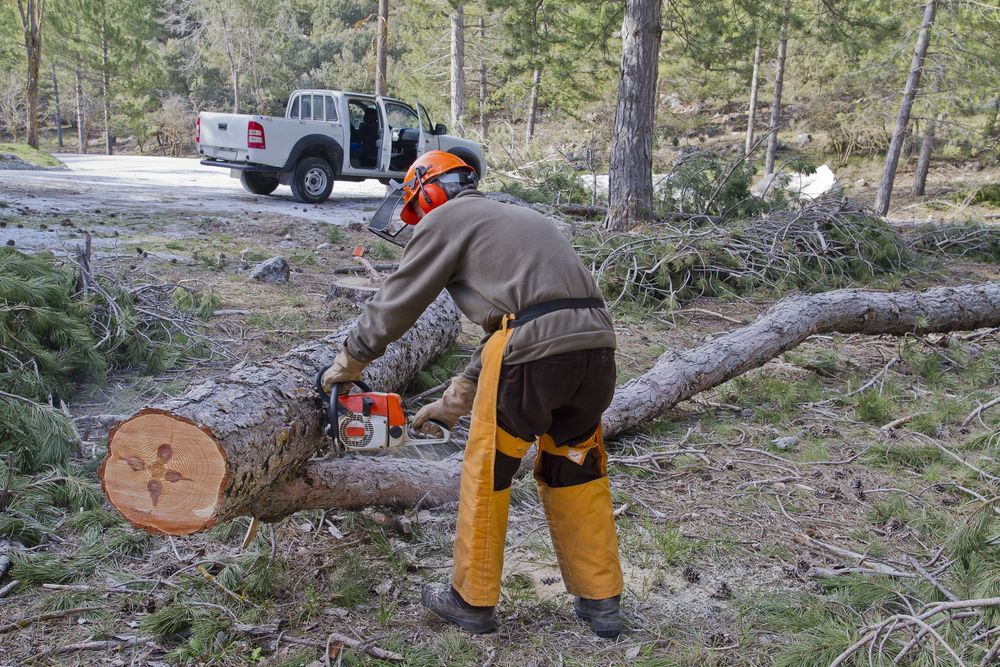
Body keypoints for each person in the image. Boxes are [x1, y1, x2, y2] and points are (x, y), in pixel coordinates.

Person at [320, 151, 624, 638]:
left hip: (532, 357)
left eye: (418, 204)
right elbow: (523, 318)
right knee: (576, 470)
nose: (418, 216)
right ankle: (602, 601)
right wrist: (457, 397)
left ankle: (472, 601)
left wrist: (351, 360)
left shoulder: (448, 217)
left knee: (488, 475)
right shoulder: (517, 215)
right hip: (597, 350)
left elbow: (399, 299)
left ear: (430, 191)